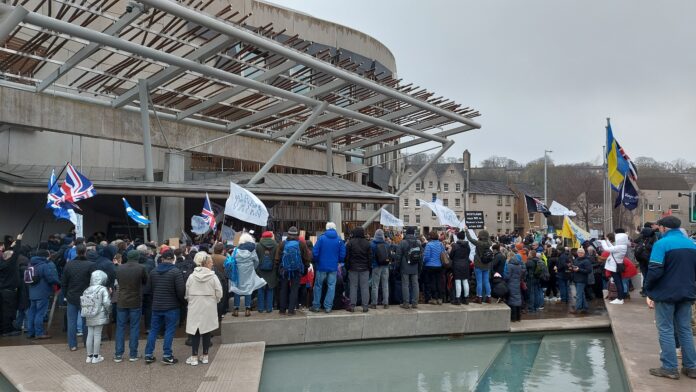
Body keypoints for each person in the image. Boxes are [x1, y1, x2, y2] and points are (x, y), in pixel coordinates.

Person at [644, 216, 696, 380]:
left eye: (659, 227)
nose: (658, 230)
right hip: (687, 293)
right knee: (685, 330)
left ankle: (669, 368)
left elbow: (655, 270)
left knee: (665, 329)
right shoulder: (692, 245)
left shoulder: (661, 244)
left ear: (664, 228)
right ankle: (691, 367)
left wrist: (648, 289)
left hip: (666, 294)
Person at [144, 249, 185, 365]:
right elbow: (181, 291)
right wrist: (182, 302)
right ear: (173, 259)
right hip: (172, 306)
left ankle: (148, 354)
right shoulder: (175, 272)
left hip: (157, 306)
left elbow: (149, 289)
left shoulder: (153, 271)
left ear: (161, 259)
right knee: (169, 330)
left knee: (153, 330)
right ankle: (167, 355)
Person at [185, 252, 222, 366]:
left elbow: (187, 292)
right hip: (209, 305)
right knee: (207, 330)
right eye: (211, 262)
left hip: (195, 305)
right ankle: (205, 356)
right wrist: (215, 300)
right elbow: (219, 292)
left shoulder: (191, 276)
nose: (212, 264)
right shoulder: (213, 276)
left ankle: (194, 356)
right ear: (206, 263)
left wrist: (190, 300)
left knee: (195, 331)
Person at [113, 244, 148, 363]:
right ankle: (133, 354)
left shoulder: (119, 268)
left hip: (122, 300)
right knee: (134, 327)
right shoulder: (141, 268)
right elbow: (145, 281)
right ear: (137, 257)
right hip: (135, 300)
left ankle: (118, 354)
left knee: (120, 327)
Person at [62, 244, 94, 351]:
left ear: (76, 252)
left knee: (71, 321)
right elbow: (93, 282)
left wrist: (65, 294)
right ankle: (87, 343)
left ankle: (72, 345)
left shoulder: (69, 265)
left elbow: (64, 282)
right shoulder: (90, 265)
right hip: (86, 296)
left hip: (71, 296)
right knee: (86, 321)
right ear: (85, 252)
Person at [227, 233, 266, 317]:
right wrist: (253, 268)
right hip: (249, 272)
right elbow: (256, 261)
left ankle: (236, 310)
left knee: (237, 288)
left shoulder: (236, 250)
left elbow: (232, 260)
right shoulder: (252, 250)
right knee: (249, 289)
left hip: (238, 272)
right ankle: (247, 309)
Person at [275, 227, 311, 315]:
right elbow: (306, 258)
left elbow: (277, 258)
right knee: (294, 290)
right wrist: (305, 267)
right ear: (297, 235)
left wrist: (277, 268)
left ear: (288, 234)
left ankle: (282, 310)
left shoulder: (282, 244)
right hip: (297, 270)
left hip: (284, 270)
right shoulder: (301, 244)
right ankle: (291, 310)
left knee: (283, 289)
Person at [310, 223, 345, 313]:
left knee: (318, 286)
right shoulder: (339, 239)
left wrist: (317, 261)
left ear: (326, 228)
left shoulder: (321, 238)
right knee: (331, 286)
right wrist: (338, 261)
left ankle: (316, 306)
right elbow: (342, 254)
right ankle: (328, 307)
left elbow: (315, 252)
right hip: (333, 267)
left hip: (321, 266)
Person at [26, 249, 60, 339]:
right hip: (42, 292)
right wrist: (59, 283)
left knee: (32, 312)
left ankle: (30, 333)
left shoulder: (30, 264)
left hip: (32, 292)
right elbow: (50, 279)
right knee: (40, 313)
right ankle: (39, 333)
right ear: (45, 256)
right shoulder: (44, 265)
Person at [82, 270, 111, 364]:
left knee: (89, 334)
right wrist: (109, 312)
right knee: (97, 334)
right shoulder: (103, 289)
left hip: (89, 314)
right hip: (100, 314)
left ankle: (89, 356)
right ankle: (96, 356)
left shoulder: (87, 289)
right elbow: (107, 303)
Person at [345, 227, 372, 312]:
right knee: (364, 287)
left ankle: (352, 306)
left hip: (353, 268)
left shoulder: (350, 243)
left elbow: (347, 257)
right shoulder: (367, 243)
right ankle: (365, 307)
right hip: (364, 269)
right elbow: (370, 257)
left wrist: (348, 267)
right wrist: (369, 267)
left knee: (353, 287)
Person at [0, 234, 21, 336]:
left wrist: (12, 246)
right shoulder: (9, 264)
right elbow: (16, 254)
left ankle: (3, 329)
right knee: (8, 312)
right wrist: (19, 240)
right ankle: (7, 330)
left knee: (3, 311)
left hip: (2, 291)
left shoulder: (2, 263)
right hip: (9, 291)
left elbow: (12, 254)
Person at [466, 229, 493, 304]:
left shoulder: (478, 243)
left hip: (478, 264)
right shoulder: (489, 243)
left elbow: (470, 239)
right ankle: (488, 297)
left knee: (479, 282)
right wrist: (486, 230)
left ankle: (479, 297)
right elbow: (489, 239)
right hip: (486, 265)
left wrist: (466, 231)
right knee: (486, 281)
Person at [398, 227, 422, 309]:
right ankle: (415, 303)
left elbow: (398, 256)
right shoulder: (418, 242)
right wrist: (419, 269)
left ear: (406, 233)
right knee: (415, 285)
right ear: (413, 233)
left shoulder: (403, 242)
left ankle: (406, 303)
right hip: (415, 267)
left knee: (405, 285)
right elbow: (421, 257)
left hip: (405, 267)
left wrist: (397, 267)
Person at [602, 232, 628, 305]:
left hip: (614, 267)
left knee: (618, 282)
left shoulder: (619, 247)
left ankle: (620, 299)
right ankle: (620, 298)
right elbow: (612, 248)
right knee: (619, 282)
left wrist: (603, 242)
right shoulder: (622, 246)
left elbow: (607, 249)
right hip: (617, 266)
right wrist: (607, 240)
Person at [256, 231, 279, 313]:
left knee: (260, 289)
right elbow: (277, 259)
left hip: (260, 272)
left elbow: (256, 259)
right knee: (270, 289)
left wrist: (257, 270)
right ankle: (269, 308)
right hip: (272, 271)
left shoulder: (258, 245)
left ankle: (260, 308)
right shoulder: (276, 245)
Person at [422, 231, 445, 305]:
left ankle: (434, 298)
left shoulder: (429, 245)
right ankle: (440, 298)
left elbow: (426, 257)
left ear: (430, 237)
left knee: (432, 282)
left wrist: (424, 262)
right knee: (439, 282)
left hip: (430, 266)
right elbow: (443, 254)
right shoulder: (441, 244)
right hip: (439, 266)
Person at [369, 229, 391, 309]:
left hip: (376, 266)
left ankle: (374, 303)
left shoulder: (372, 244)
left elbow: (371, 256)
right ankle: (386, 303)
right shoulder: (387, 244)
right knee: (385, 285)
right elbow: (389, 255)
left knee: (375, 285)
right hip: (385, 266)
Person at [449, 231, 471, 305]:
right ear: (464, 237)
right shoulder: (467, 246)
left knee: (458, 281)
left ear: (458, 237)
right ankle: (466, 299)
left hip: (457, 265)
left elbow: (451, 256)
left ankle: (458, 299)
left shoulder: (455, 246)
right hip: (465, 264)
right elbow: (468, 255)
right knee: (465, 281)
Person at [635, 222, 657, 297]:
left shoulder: (641, 238)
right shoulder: (654, 238)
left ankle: (645, 290)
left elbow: (635, 241)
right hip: (650, 259)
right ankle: (647, 290)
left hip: (642, 259)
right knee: (648, 275)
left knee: (645, 275)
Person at [571, 248, 592, 314]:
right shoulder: (576, 259)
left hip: (582, 280)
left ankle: (577, 308)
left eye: (581, 252)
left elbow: (589, 270)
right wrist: (572, 267)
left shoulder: (586, 261)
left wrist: (579, 269)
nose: (580, 253)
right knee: (581, 294)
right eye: (579, 252)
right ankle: (585, 307)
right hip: (576, 279)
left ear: (584, 253)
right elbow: (575, 266)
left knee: (579, 295)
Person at [505, 254, 525, 322]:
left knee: (512, 300)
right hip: (517, 284)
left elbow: (507, 276)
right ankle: (518, 317)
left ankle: (513, 318)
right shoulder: (519, 266)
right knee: (517, 299)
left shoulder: (510, 266)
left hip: (511, 284)